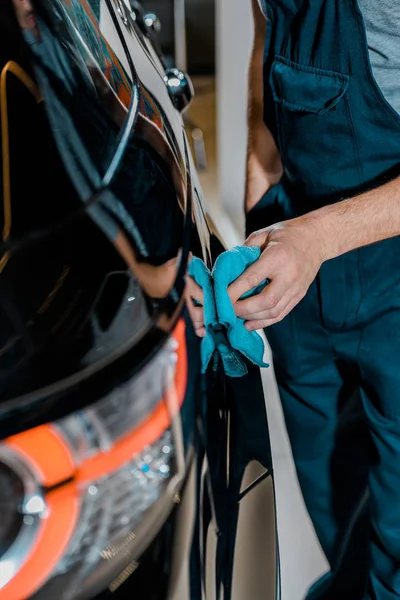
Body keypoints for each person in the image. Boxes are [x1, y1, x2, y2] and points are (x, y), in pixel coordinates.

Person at [227, 0, 400, 598]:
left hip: (390, 271)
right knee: (332, 490)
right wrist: (258, 165)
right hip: (299, 254)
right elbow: (267, 23)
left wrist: (318, 238)